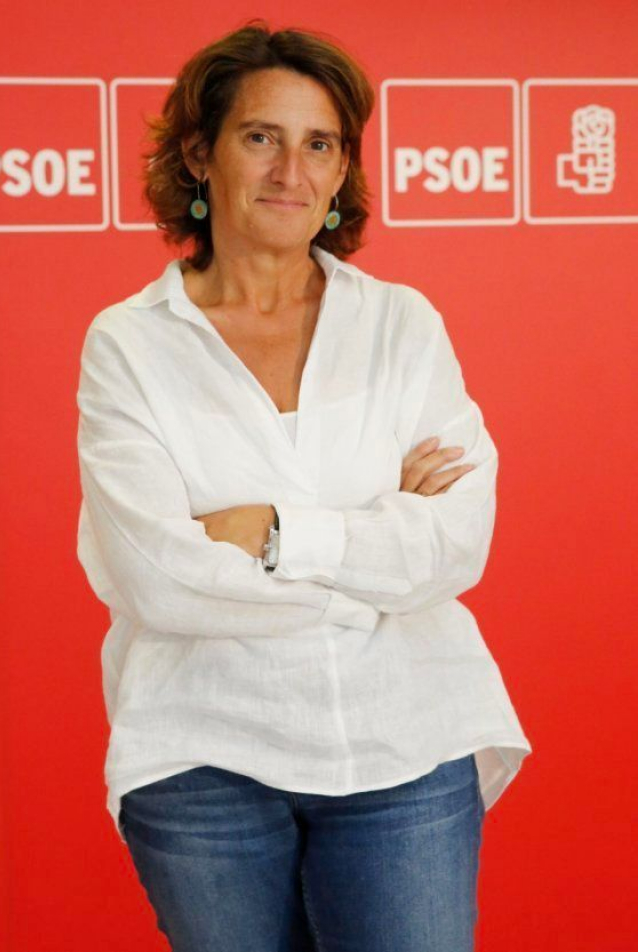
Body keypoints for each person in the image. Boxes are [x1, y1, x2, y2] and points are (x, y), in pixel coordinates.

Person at [75, 18, 532, 952]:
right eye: (261, 137)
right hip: (203, 755)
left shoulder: (401, 324)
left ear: (342, 169)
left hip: (407, 743)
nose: (292, 170)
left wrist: (270, 530)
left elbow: (455, 543)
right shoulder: (129, 344)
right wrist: (371, 569)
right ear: (199, 155)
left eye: (320, 143)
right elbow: (159, 579)